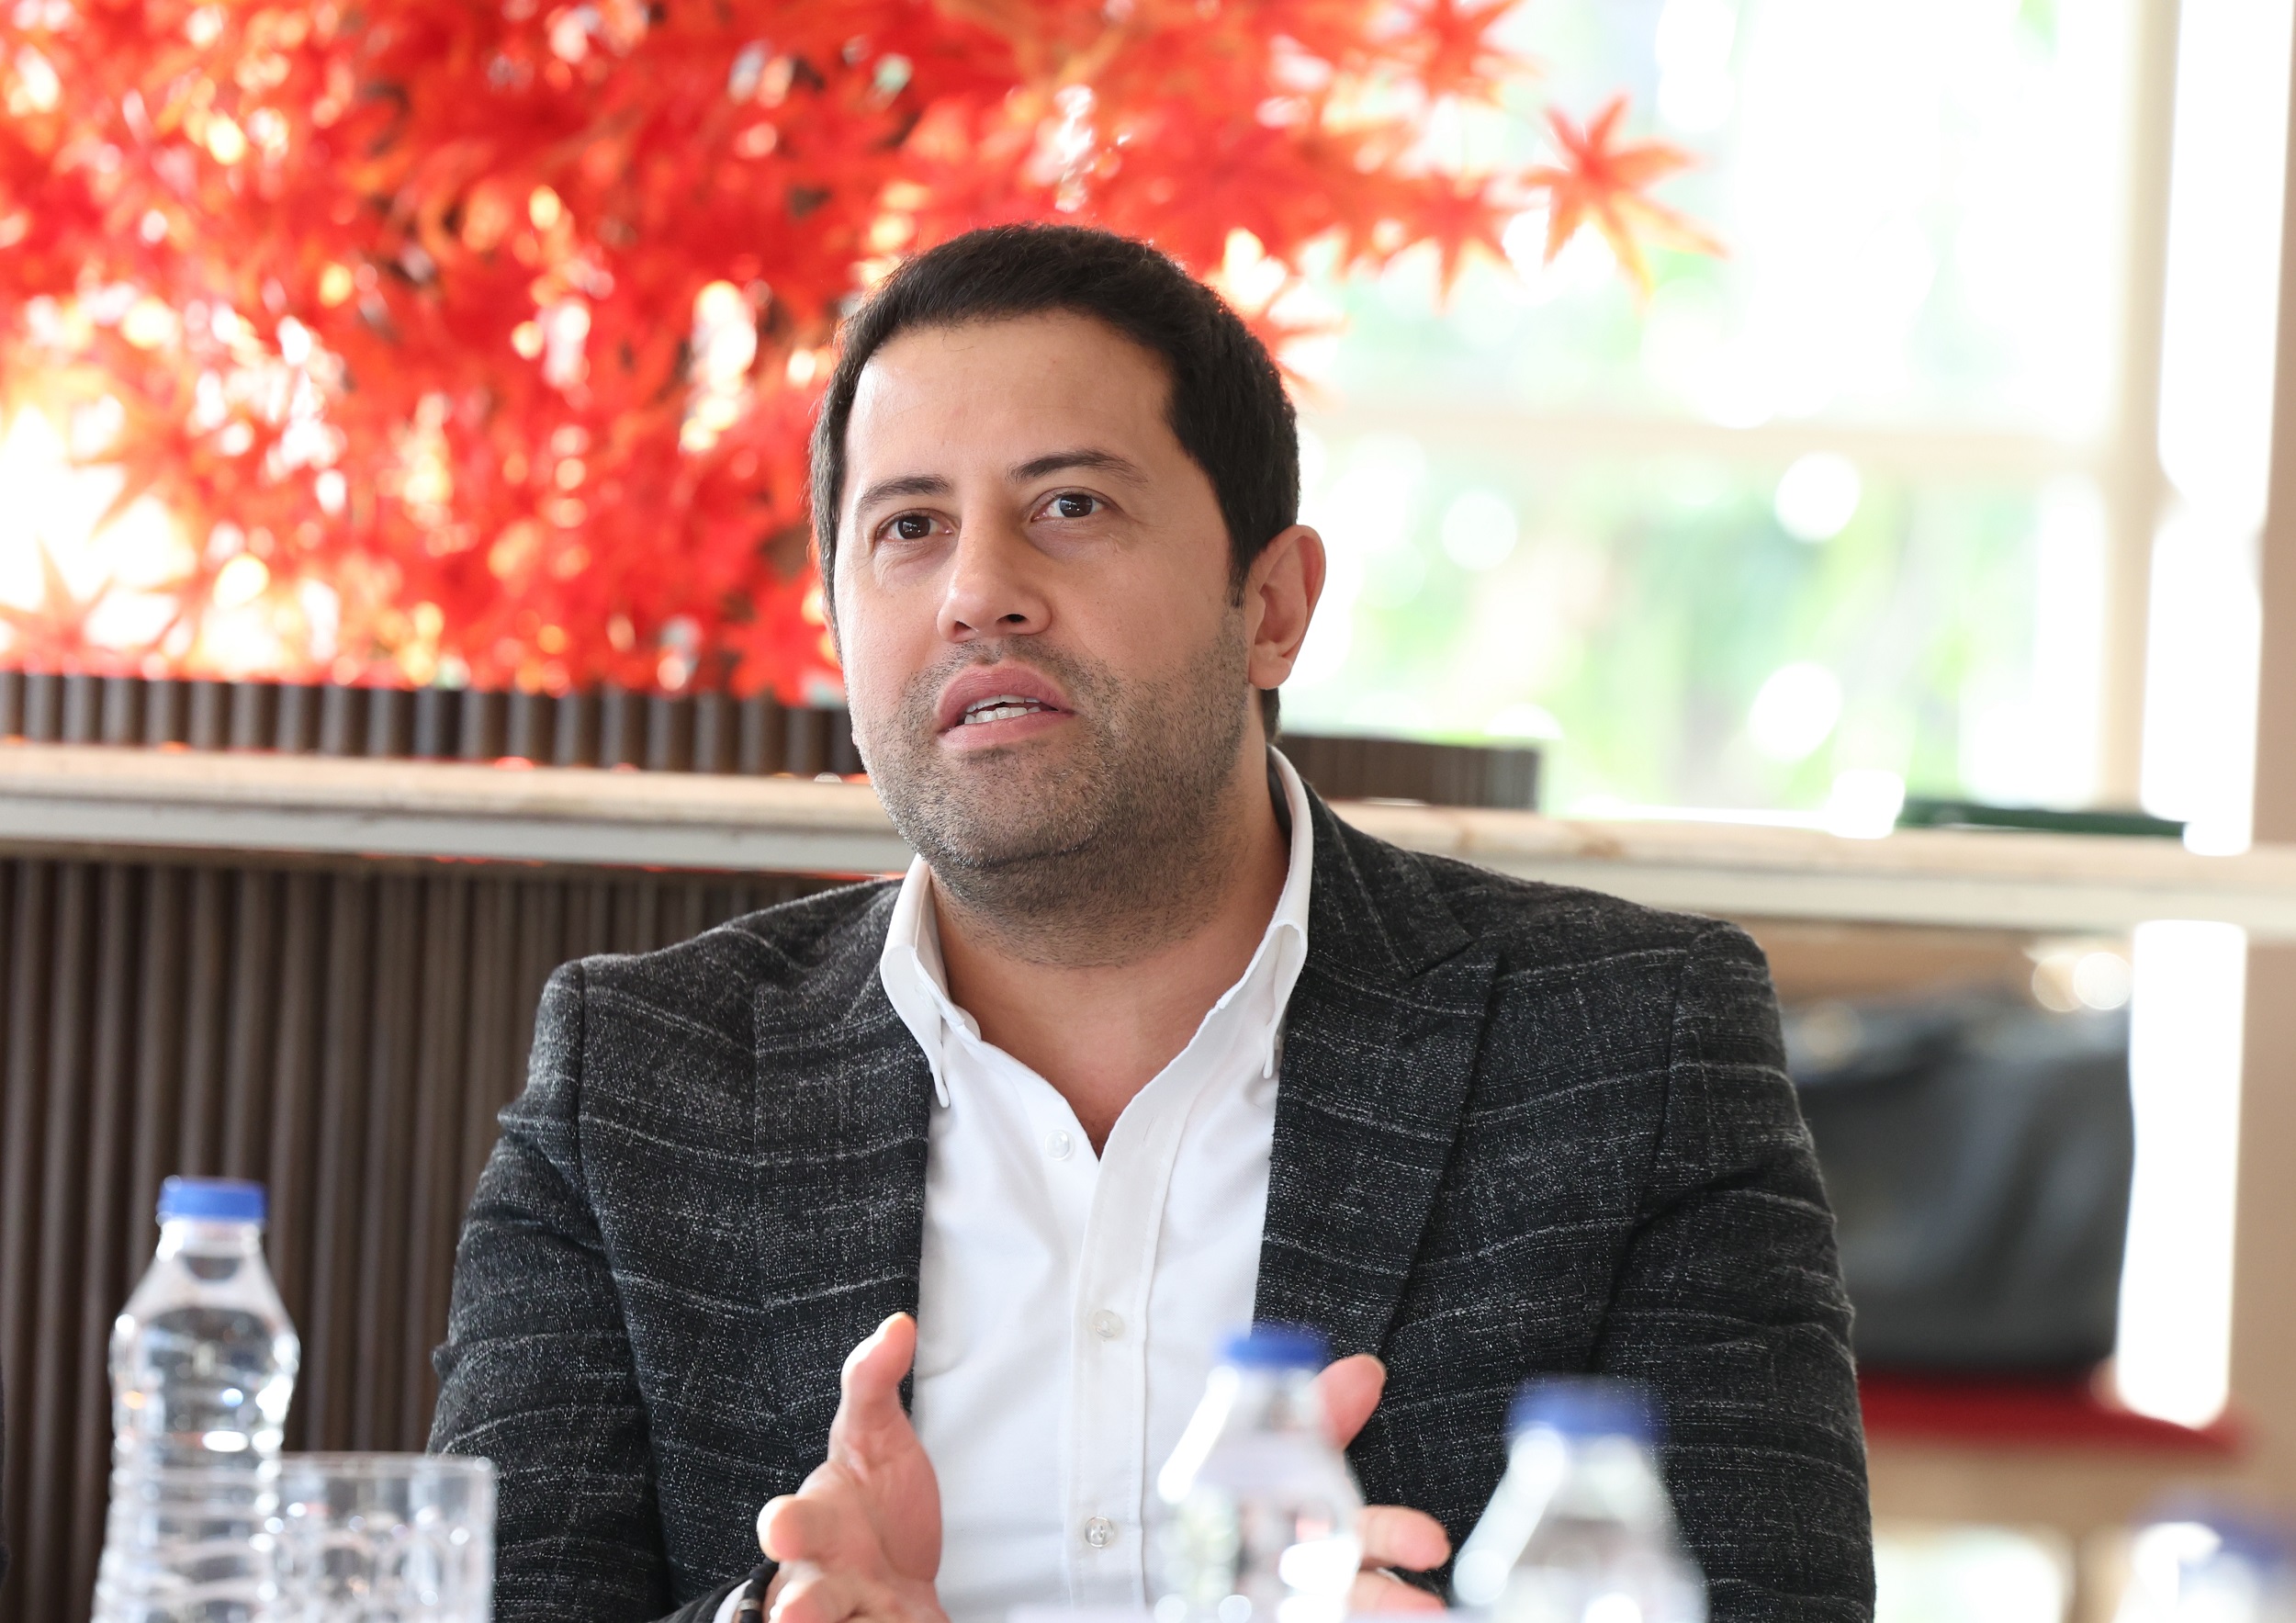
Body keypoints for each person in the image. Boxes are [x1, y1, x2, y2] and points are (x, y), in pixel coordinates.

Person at [430, 224, 1874, 1623]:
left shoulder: (1631, 1047)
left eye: (1071, 506)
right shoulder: (639, 1080)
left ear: (1273, 607)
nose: (979, 593)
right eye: (909, 529)